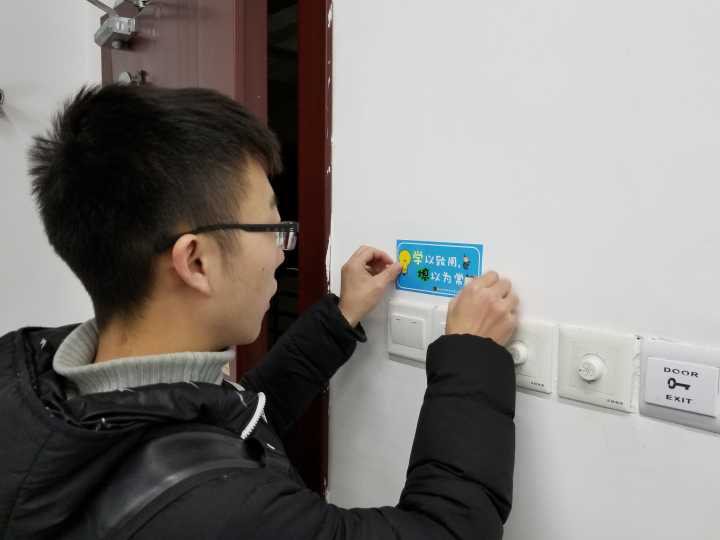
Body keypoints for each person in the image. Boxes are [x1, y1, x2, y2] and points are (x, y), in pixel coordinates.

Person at [0, 85, 519, 539]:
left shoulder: (27, 378)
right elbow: (447, 530)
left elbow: (238, 413)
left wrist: (340, 316)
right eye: (272, 228)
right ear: (196, 261)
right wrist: (470, 355)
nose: (280, 253)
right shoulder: (218, 513)